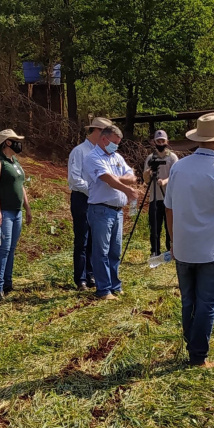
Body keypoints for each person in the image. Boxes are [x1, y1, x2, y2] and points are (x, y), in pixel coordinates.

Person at [165, 112, 214, 368]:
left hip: (184, 246)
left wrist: (173, 240)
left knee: (189, 300)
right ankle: (198, 356)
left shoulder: (178, 167)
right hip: (212, 249)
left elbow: (169, 208)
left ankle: (192, 344)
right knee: (207, 303)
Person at [84, 125, 138, 300]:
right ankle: (103, 290)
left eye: (118, 143)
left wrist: (116, 178)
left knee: (115, 251)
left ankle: (115, 285)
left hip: (117, 212)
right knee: (102, 251)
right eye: (114, 142)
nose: (116, 146)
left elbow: (132, 177)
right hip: (101, 210)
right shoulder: (92, 157)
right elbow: (106, 179)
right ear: (104, 139)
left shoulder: (117, 157)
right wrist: (126, 188)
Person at [0, 129, 33, 299]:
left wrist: (27, 208)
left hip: (16, 211)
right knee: (3, 249)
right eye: (15, 140)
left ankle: (7, 283)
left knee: (11, 249)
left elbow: (21, 186)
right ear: (7, 142)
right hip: (3, 212)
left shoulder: (14, 162)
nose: (19, 143)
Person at [68, 117, 110, 291]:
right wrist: (94, 189)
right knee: (82, 239)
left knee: (94, 238)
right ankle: (81, 278)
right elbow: (74, 179)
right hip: (82, 198)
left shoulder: (102, 152)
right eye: (106, 133)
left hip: (97, 199)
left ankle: (91, 274)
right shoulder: (79, 151)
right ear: (97, 131)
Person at [142, 129, 178, 256]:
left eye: (162, 140)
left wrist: (164, 181)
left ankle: (170, 249)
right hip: (154, 197)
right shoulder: (150, 158)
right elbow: (145, 180)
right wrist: (149, 172)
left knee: (170, 225)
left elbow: (175, 176)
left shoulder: (172, 157)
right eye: (158, 141)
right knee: (155, 226)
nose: (160, 143)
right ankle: (155, 250)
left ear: (167, 141)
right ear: (154, 142)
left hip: (169, 197)